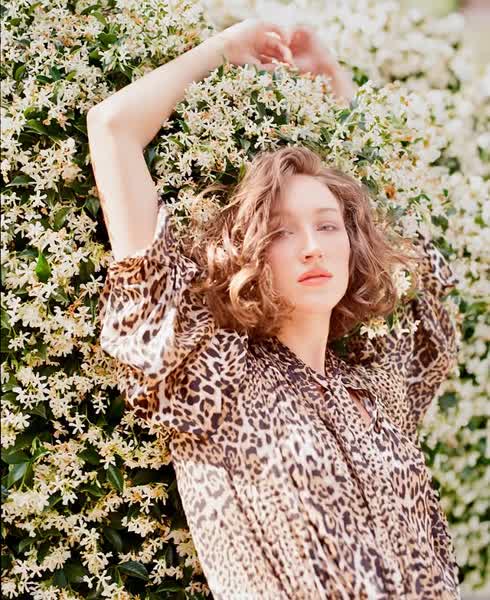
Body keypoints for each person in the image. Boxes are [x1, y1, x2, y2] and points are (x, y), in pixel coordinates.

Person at [87, 18, 461, 600]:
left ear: (353, 245)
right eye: (282, 231)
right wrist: (224, 48)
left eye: (328, 226)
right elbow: (112, 128)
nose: (312, 246)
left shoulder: (378, 384)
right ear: (251, 254)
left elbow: (428, 284)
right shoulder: (212, 371)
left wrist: (336, 88)